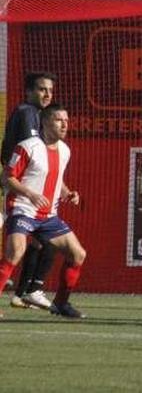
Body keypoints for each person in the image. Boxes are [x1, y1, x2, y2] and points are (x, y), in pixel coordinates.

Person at [0, 103, 86, 319]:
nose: (65, 124)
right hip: (22, 209)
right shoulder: (28, 146)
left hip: (48, 216)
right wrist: (30, 194)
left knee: (78, 254)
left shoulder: (65, 150)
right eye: (59, 120)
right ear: (46, 122)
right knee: (15, 252)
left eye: (66, 120)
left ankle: (61, 303)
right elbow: (7, 177)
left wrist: (67, 193)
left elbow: (55, 178)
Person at [0, 72, 57, 309]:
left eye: (50, 90)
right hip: (16, 189)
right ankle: (27, 291)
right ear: (29, 91)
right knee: (33, 245)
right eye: (42, 89)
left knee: (40, 243)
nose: (47, 94)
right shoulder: (26, 112)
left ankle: (25, 292)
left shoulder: (36, 114)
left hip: (24, 190)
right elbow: (29, 153)